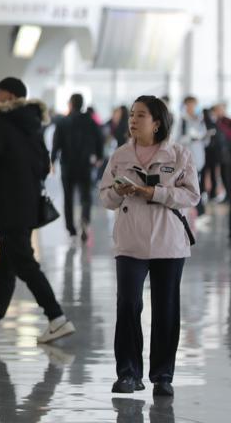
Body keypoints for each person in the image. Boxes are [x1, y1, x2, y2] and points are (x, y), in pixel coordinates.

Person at [0, 77, 74, 344]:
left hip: (8, 206)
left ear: (8, 96)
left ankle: (57, 318)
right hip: (27, 205)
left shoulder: (0, 127)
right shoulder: (32, 126)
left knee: (24, 263)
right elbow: (44, 166)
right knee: (7, 266)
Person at [99, 95, 198, 397]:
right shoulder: (120, 156)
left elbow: (191, 196)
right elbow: (104, 196)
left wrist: (152, 191)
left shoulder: (179, 155)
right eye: (131, 114)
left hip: (169, 243)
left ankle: (162, 376)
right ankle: (128, 373)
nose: (132, 120)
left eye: (140, 115)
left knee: (166, 310)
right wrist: (119, 191)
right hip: (130, 242)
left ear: (157, 123)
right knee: (128, 305)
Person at [51, 93, 105, 241]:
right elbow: (99, 138)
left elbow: (56, 143)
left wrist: (52, 160)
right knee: (86, 196)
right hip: (85, 165)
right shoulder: (90, 121)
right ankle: (85, 220)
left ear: (70, 104)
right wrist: (99, 156)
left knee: (68, 198)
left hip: (67, 165)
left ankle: (71, 229)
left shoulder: (63, 122)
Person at [202, 106, 227, 203]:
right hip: (207, 153)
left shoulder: (218, 123)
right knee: (207, 174)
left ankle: (212, 194)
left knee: (212, 173)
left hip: (213, 153)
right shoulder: (209, 123)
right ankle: (207, 193)